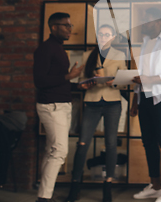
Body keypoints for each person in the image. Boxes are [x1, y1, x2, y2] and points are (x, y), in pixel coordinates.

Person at [34, 12, 94, 202]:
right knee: (59, 152)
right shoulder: (46, 49)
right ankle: (43, 197)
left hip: (62, 104)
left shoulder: (58, 49)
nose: (70, 29)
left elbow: (58, 82)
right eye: (66, 25)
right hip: (52, 106)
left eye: (70, 26)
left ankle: (43, 194)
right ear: (53, 27)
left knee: (52, 150)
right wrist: (69, 76)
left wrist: (78, 85)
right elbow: (40, 81)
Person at [65, 24, 127, 202]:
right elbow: (81, 80)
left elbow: (124, 82)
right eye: (101, 34)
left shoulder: (119, 55)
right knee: (82, 144)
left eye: (107, 34)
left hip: (112, 102)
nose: (103, 37)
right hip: (91, 102)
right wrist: (84, 84)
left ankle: (107, 187)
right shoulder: (88, 55)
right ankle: (74, 186)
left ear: (113, 37)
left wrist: (114, 82)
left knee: (111, 143)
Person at [130, 7, 161, 202]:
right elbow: (140, 77)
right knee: (148, 142)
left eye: (149, 21)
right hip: (144, 98)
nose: (146, 25)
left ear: (159, 23)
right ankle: (155, 186)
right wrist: (135, 101)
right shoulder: (143, 44)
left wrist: (149, 80)